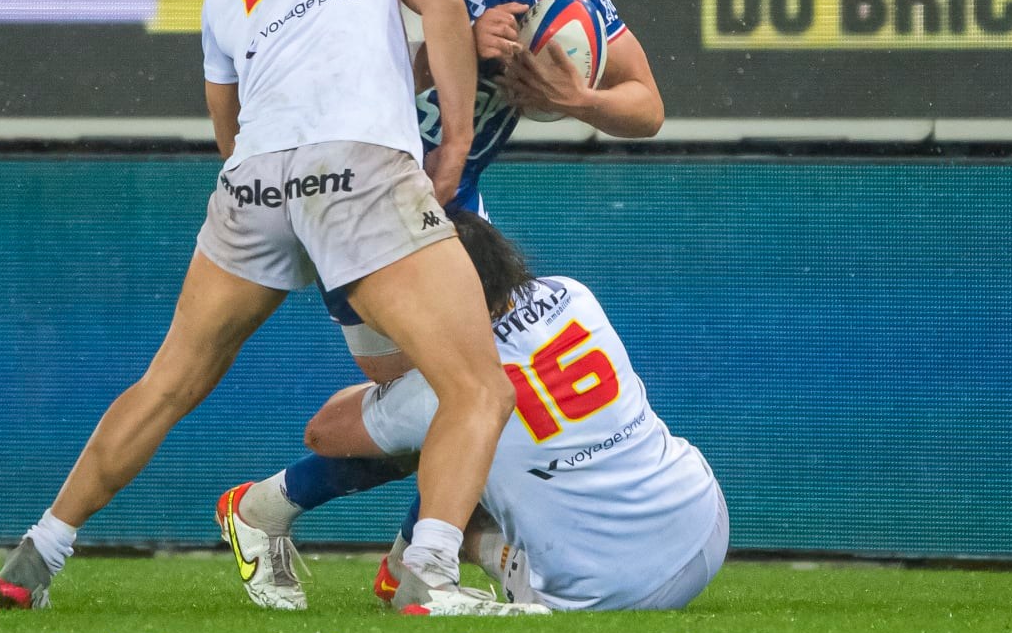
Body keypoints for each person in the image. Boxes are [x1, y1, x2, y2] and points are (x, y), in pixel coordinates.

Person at [0, 0, 542, 618]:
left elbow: (226, 123)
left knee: (168, 383)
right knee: (478, 386)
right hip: (359, 168)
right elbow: (446, 6)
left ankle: (34, 555)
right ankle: (429, 577)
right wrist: (451, 143)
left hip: (253, 179)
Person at [216, 0, 666, 604]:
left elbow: (648, 107)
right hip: (359, 200)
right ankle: (281, 510)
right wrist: (447, 46)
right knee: (441, 397)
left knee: (475, 390)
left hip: (454, 209)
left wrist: (581, 101)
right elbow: (335, 61)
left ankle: (411, 549)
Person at [231, 210, 728, 612]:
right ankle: (404, 568)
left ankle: (272, 512)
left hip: (607, 593)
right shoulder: (575, 294)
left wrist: (394, 382)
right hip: (704, 522)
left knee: (451, 445)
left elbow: (323, 434)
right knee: (495, 453)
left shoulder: (447, 387)